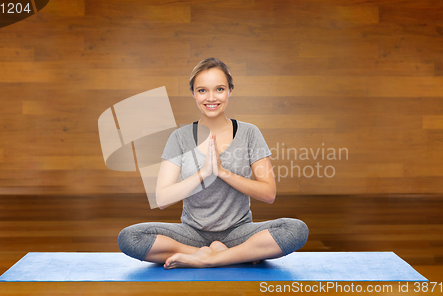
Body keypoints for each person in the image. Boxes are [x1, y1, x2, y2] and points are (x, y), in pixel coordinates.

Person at [118, 57, 308, 269]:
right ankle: (221, 255)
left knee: (296, 230)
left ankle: (209, 258)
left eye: (219, 89)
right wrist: (204, 173)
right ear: (193, 93)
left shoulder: (249, 133)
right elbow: (162, 198)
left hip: (239, 232)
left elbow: (268, 193)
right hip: (192, 234)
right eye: (202, 90)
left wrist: (222, 172)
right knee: (130, 237)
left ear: (230, 91)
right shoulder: (179, 138)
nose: (211, 97)